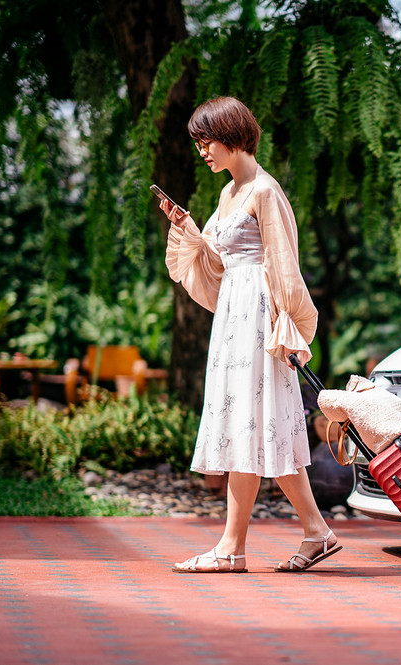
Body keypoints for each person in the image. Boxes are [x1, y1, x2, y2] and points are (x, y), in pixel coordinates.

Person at [160, 96, 340, 573]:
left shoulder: (264, 190)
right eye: (199, 143)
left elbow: (282, 263)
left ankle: (241, 546)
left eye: (207, 141)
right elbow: (220, 263)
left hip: (259, 318)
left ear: (233, 134)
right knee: (251, 423)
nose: (203, 151)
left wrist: (290, 326)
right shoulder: (229, 193)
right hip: (234, 317)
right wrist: (189, 228)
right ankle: (277, 539)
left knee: (261, 422)